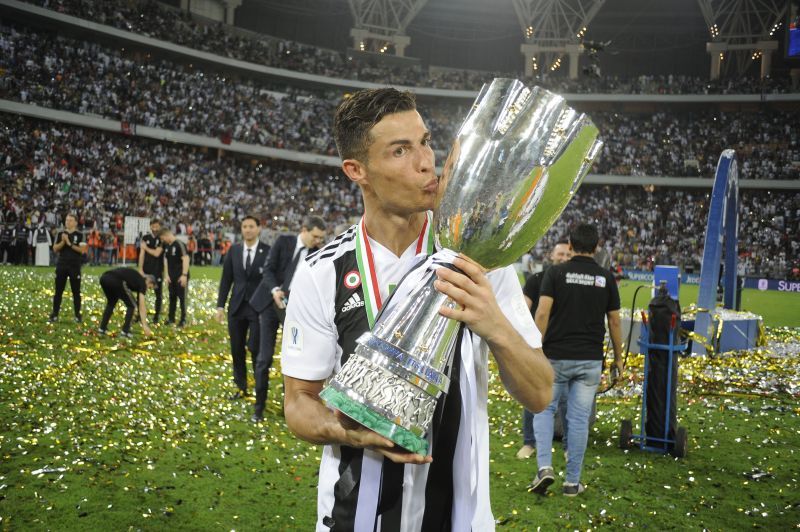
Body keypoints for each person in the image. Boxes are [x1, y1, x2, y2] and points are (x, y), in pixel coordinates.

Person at [280, 88, 553, 530]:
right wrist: (352, 432)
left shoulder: (479, 258)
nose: (427, 161)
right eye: (401, 150)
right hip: (352, 518)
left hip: (459, 520)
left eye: (425, 141)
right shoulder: (321, 273)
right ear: (357, 170)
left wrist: (496, 326)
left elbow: (540, 394)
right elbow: (298, 402)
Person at [531, 223, 624, 497]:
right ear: (596, 248)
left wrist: (535, 348)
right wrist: (619, 359)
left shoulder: (555, 273)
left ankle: (544, 468)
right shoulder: (606, 278)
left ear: (570, 245)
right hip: (589, 361)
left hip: (555, 357)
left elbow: (542, 313)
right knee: (579, 419)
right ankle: (572, 482)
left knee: (544, 410)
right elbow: (615, 322)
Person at [249, 215, 326, 422]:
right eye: (316, 236)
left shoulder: (318, 254)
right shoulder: (284, 242)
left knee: (292, 359)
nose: (318, 241)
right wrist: (275, 290)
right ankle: (258, 409)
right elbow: (268, 269)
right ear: (304, 229)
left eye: (321, 238)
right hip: (269, 305)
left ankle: (289, 410)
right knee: (264, 358)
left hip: (294, 312)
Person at [516, 240, 571, 459]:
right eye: (560, 254)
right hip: (539, 347)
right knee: (532, 393)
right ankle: (530, 442)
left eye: (568, 255)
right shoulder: (537, 280)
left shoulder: (572, 283)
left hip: (563, 348)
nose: (564, 258)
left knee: (566, 399)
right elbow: (521, 308)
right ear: (551, 256)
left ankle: (568, 445)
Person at [215, 216, 270, 406]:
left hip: (257, 309)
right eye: (244, 227)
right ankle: (241, 387)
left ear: (258, 228)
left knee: (255, 349)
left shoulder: (267, 251)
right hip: (236, 308)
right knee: (236, 349)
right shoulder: (234, 250)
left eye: (251, 226)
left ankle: (259, 389)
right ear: (241, 229)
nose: (248, 230)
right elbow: (226, 280)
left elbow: (270, 281)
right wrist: (220, 306)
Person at [49, 214, 87, 322]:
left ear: (75, 222)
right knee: (58, 291)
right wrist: (63, 242)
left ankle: (77, 315)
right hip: (62, 265)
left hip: (75, 266)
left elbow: (83, 250)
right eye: (66, 220)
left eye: (70, 220)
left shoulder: (80, 235)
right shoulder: (61, 234)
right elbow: (55, 248)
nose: (68, 222)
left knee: (76, 292)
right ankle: (55, 314)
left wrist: (69, 243)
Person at [98, 267, 155, 337]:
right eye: (149, 287)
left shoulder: (137, 277)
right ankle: (125, 331)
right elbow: (141, 305)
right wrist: (145, 325)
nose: (147, 289)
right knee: (132, 305)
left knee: (111, 302)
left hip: (104, 278)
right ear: (149, 281)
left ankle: (102, 329)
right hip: (116, 280)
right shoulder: (143, 282)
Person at [161, 228, 190, 327]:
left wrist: (184, 275)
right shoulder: (167, 246)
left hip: (180, 277)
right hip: (171, 277)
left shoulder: (179, 244)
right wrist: (166, 275)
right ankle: (171, 318)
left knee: (182, 299)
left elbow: (185, 259)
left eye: (163, 238)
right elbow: (166, 261)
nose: (163, 240)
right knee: (172, 298)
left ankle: (183, 319)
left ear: (166, 235)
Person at [138, 219, 165, 324]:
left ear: (159, 227)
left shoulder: (161, 239)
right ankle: (139, 315)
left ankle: (156, 316)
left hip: (157, 270)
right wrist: (140, 269)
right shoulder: (145, 238)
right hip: (146, 269)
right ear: (150, 227)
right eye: (153, 226)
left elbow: (157, 254)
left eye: (156, 226)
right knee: (141, 293)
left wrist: (146, 248)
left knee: (158, 294)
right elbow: (142, 254)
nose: (155, 228)